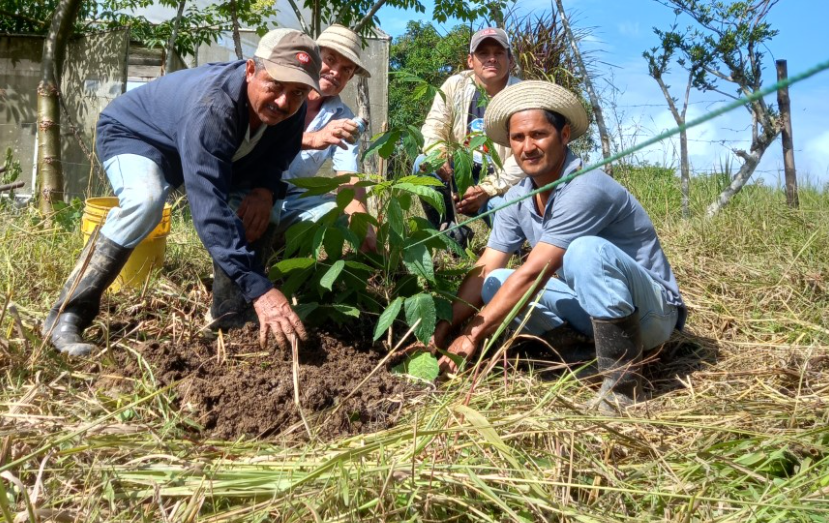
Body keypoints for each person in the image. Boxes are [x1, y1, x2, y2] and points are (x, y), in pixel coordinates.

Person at [43, 28, 322, 356]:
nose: (284, 102)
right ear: (251, 70)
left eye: (298, 93)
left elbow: (278, 155)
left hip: (199, 143)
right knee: (144, 201)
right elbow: (209, 208)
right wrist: (261, 289)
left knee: (262, 207)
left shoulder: (291, 106)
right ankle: (68, 313)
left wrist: (265, 189)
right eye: (274, 86)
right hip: (138, 136)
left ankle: (230, 315)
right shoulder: (212, 107)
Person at [433, 81, 687, 414]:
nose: (528, 147)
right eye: (518, 138)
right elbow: (484, 269)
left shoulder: (586, 187)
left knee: (584, 251)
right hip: (590, 310)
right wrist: (439, 331)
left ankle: (622, 386)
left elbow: (535, 272)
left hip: (650, 316)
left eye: (539, 134)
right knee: (495, 282)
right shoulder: (518, 197)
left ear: (564, 135)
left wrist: (471, 335)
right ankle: (584, 359)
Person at [415, 27, 525, 245]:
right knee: (423, 164)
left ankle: (513, 251)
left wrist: (487, 189)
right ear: (470, 61)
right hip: (458, 174)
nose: (491, 58)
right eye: (483, 53)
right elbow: (434, 125)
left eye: (499, 52)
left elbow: (524, 158)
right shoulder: (456, 85)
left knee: (500, 209)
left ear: (510, 60)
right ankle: (451, 237)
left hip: (501, 183)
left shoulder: (521, 96)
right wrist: (437, 152)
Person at [273, 24, 376, 252]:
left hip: (292, 199)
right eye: (330, 60)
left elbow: (348, 176)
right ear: (313, 57)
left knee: (337, 212)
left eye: (346, 69)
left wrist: (361, 221)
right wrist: (314, 138)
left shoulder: (342, 117)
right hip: (252, 189)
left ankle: (291, 250)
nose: (336, 72)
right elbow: (261, 138)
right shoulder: (280, 92)